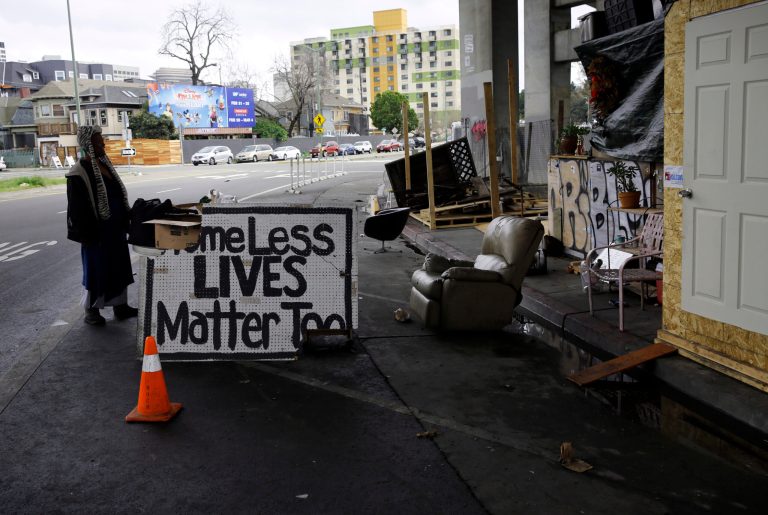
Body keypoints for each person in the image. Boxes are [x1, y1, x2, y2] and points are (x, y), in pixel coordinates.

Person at [66, 125, 137, 326]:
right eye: (99, 140)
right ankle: (92, 311)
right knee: (96, 270)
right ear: (89, 144)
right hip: (96, 232)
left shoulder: (105, 165)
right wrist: (87, 233)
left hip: (116, 229)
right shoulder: (78, 172)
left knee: (120, 267)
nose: (103, 143)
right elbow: (77, 209)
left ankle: (120, 306)